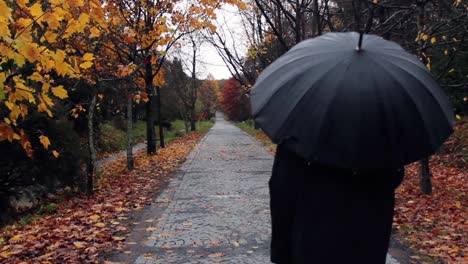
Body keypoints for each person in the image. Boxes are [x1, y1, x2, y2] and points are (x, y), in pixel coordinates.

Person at [269, 143, 404, 264]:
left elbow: (281, 189)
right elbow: (393, 179)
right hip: (365, 241)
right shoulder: (381, 135)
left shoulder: (300, 134)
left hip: (311, 242)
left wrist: (282, 252)